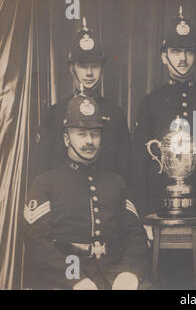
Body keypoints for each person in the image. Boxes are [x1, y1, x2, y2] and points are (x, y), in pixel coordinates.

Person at [23, 94, 149, 290]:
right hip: (65, 278)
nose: (89, 141)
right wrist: (75, 280)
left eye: (95, 134)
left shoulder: (116, 182)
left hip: (113, 272)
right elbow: (37, 244)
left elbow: (136, 236)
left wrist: (128, 272)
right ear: (66, 138)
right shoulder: (45, 183)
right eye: (81, 133)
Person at [132, 6, 196, 217]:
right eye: (175, 51)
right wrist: (145, 216)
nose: (183, 58)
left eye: (189, 51)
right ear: (164, 56)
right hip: (160, 213)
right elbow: (139, 167)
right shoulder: (150, 103)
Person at [31, 17, 131, 181]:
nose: (89, 73)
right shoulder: (55, 113)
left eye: (95, 66)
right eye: (83, 66)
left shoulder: (116, 114)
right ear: (72, 69)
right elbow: (41, 172)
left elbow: (126, 171)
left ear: (102, 69)